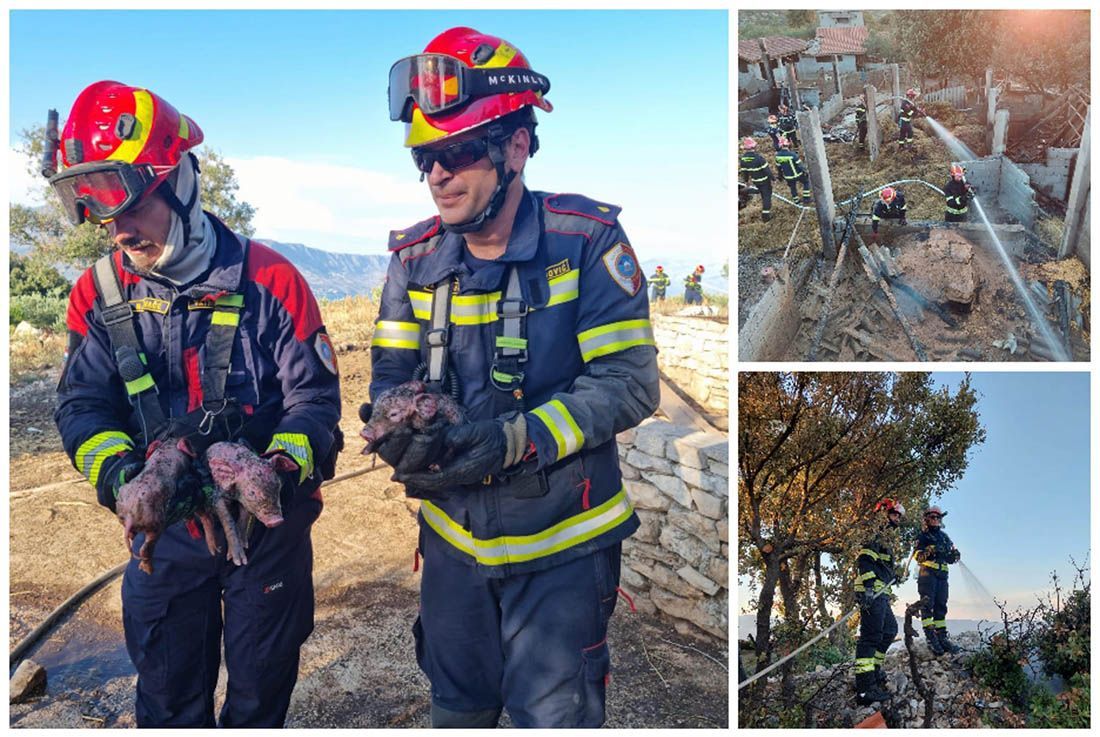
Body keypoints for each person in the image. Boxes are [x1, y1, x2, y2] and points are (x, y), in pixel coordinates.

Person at [372, 27, 659, 728]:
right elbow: (389, 376)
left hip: (562, 549)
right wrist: (396, 427)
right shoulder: (413, 260)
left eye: (457, 152)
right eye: (423, 157)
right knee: (457, 712)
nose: (437, 175)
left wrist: (512, 439)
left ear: (517, 146)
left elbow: (629, 380)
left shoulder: (584, 241)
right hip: (452, 552)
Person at [50, 81, 342, 728]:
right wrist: (129, 482)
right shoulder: (95, 296)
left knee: (259, 699)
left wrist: (276, 473)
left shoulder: (272, 282)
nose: (118, 228)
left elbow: (315, 404)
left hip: (266, 530)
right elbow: (83, 408)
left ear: (180, 182)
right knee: (167, 700)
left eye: (132, 202)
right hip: (167, 535)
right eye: (97, 208)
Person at [854, 499, 906, 706]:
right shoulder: (875, 533)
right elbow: (865, 560)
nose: (897, 519)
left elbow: (880, 565)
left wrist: (895, 575)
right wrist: (867, 588)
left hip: (880, 593)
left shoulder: (885, 538)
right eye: (894, 514)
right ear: (884, 513)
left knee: (889, 630)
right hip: (871, 593)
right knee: (870, 637)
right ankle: (865, 689)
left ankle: (874, 671)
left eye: (899, 516)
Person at [915, 506, 962, 655]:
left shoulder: (945, 537)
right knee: (927, 605)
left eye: (938, 518)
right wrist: (931, 550)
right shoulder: (923, 537)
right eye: (933, 517)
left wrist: (955, 555)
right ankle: (931, 638)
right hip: (927, 575)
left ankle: (942, 637)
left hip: (943, 576)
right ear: (927, 519)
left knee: (941, 606)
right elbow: (918, 557)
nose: (936, 520)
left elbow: (950, 556)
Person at [739, 137, 774, 222]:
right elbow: (767, 170)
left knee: (760, 192)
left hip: (755, 181)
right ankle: (766, 216)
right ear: (753, 147)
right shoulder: (759, 158)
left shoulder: (743, 159)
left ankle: (748, 190)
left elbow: (745, 172)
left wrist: (746, 181)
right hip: (764, 181)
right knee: (767, 197)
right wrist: (772, 178)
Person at [774, 136, 812, 205]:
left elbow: (778, 167)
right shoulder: (792, 154)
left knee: (793, 188)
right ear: (787, 145)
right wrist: (806, 171)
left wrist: (780, 176)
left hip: (788, 176)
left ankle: (796, 201)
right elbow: (800, 165)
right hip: (797, 174)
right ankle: (806, 198)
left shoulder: (777, 156)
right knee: (806, 182)